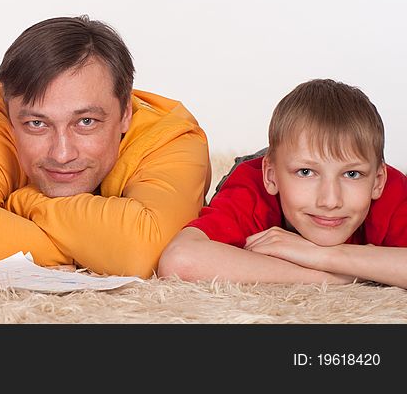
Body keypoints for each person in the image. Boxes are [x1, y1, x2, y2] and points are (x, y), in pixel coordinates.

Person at [0, 15, 211, 277]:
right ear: (9, 117)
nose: (61, 154)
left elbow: (144, 252)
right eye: (37, 124)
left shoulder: (174, 137)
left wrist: (24, 203)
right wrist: (98, 249)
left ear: (125, 115)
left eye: (86, 122)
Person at [158, 79, 407, 288]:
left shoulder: (390, 189)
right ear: (271, 176)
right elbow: (181, 260)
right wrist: (332, 277)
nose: (330, 200)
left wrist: (324, 256)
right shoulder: (252, 187)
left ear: (377, 181)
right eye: (306, 172)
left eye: (351, 174)